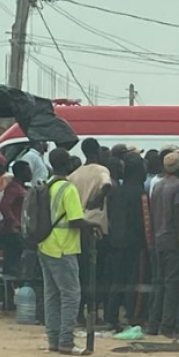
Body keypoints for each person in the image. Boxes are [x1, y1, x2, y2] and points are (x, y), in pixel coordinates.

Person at [39, 148, 101, 355]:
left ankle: (53, 339)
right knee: (71, 295)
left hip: (44, 244)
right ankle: (66, 341)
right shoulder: (68, 188)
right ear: (68, 165)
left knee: (52, 295)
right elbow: (75, 219)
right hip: (62, 247)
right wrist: (93, 224)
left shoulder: (48, 186)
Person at [68, 138, 113, 325]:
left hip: (79, 227)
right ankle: (92, 314)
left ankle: (78, 313)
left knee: (80, 272)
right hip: (97, 229)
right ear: (97, 152)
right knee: (96, 274)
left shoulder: (74, 174)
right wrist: (99, 198)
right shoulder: (102, 170)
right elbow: (107, 185)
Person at [148, 152, 179, 338]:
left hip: (159, 239)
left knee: (160, 284)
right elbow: (178, 216)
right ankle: (167, 326)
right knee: (172, 284)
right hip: (173, 239)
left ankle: (153, 324)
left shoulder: (157, 186)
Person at [105, 154, 147, 332]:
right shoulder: (140, 192)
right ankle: (132, 316)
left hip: (115, 240)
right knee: (133, 280)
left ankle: (111, 316)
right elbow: (143, 219)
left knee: (117, 280)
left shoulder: (117, 190)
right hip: (134, 241)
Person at [0, 161, 31, 277]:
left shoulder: (23, 187)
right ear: (21, 173)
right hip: (12, 230)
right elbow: (4, 206)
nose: (30, 174)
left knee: (15, 259)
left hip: (19, 228)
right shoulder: (13, 187)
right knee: (13, 262)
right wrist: (14, 222)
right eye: (28, 172)